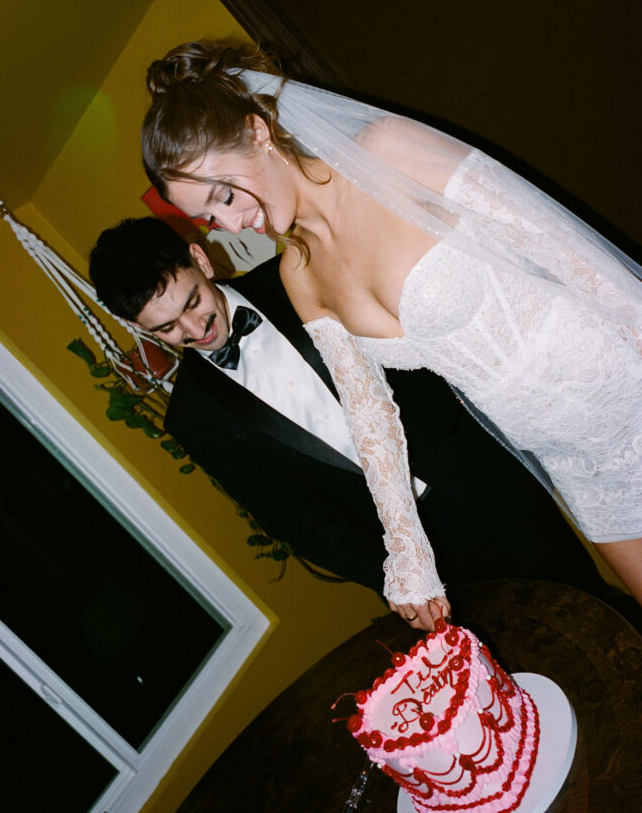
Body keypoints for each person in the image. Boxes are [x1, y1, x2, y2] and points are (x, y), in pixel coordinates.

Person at [139, 41, 642, 628]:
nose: (228, 224)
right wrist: (407, 551)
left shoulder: (387, 152)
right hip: (567, 460)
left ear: (258, 132)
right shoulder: (300, 275)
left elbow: (567, 254)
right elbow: (371, 417)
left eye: (224, 195)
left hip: (621, 385)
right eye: (208, 218)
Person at [89, 217, 610, 629]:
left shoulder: (299, 275)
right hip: (423, 565)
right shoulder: (193, 418)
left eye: (193, 302)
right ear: (136, 325)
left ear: (200, 259)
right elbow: (292, 516)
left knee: (596, 609)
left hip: (484, 482)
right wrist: (393, 577)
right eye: (167, 328)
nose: (195, 329)